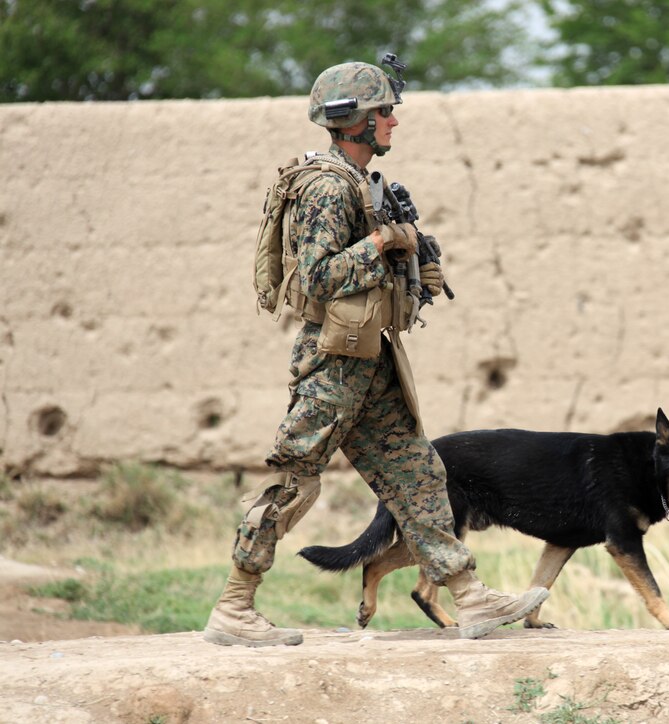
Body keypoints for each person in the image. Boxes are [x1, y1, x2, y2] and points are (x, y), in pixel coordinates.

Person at [203, 60, 548, 647]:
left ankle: (469, 597)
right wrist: (384, 242)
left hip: (368, 356)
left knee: (418, 472)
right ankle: (235, 607)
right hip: (334, 362)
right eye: (383, 112)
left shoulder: (361, 184)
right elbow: (315, 278)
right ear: (353, 121)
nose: (392, 122)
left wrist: (412, 261)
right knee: (295, 481)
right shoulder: (329, 188)